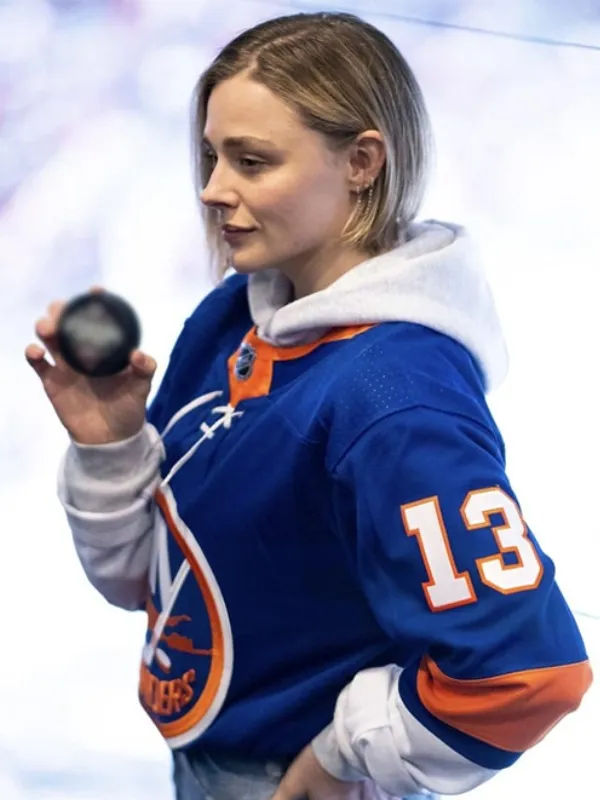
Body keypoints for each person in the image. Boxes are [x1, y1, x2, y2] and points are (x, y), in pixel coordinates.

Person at [26, 11, 592, 800]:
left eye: (252, 161)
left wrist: (341, 754)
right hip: (210, 760)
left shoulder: (394, 397)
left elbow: (525, 674)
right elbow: (149, 584)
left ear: (361, 162)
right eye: (212, 155)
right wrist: (111, 445)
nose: (212, 190)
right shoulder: (235, 316)